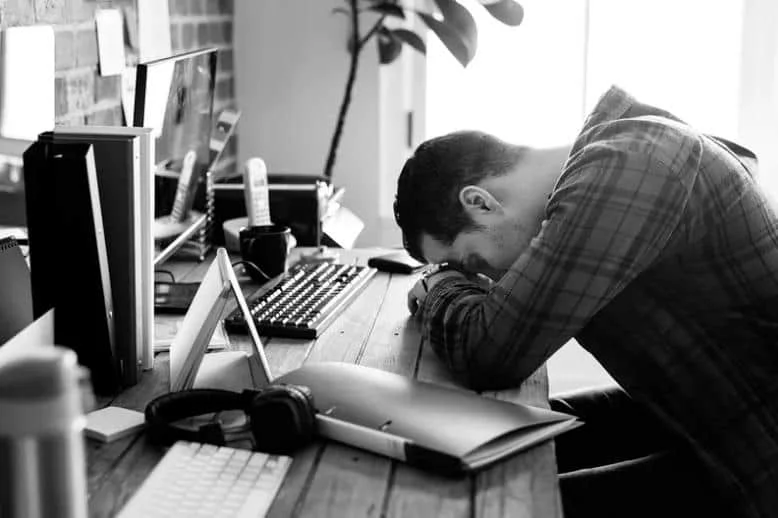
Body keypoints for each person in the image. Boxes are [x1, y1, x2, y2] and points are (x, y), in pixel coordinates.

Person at [393, 85, 778, 518]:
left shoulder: (630, 164)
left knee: (503, 507)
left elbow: (491, 351)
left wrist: (437, 289)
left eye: (472, 262)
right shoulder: (618, 157)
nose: (486, 280)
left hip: (756, 467)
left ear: (480, 203)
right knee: (494, 433)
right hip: (697, 417)